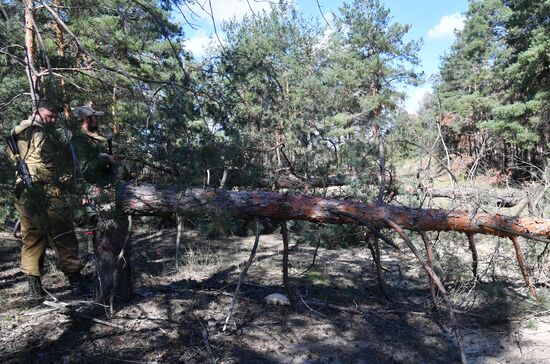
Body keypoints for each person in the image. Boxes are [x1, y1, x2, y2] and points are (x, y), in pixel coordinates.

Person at [9, 101, 85, 302]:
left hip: (27, 189)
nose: (51, 120)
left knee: (40, 236)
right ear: (36, 112)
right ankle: (70, 283)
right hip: (43, 188)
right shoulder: (35, 131)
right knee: (57, 233)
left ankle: (41, 288)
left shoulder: (17, 132)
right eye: (48, 116)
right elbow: (47, 162)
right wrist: (70, 182)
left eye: (53, 117)